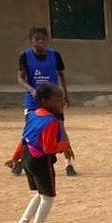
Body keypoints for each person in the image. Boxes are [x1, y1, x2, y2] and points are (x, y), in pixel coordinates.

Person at [5, 83, 72, 223]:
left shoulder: (33, 115)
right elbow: (49, 148)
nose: (62, 103)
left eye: (63, 100)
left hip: (27, 157)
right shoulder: (51, 122)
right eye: (58, 100)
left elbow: (24, 139)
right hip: (40, 161)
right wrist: (64, 146)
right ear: (45, 101)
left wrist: (15, 157)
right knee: (48, 197)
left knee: (40, 194)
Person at [17, 27, 76, 175]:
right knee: (30, 131)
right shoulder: (25, 56)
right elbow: (20, 78)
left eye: (43, 39)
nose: (40, 42)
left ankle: (69, 164)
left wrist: (65, 95)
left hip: (53, 100)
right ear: (32, 40)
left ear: (47, 40)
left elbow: (61, 76)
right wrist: (31, 90)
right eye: (37, 39)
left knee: (60, 128)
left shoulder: (55, 55)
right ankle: (20, 161)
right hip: (33, 100)